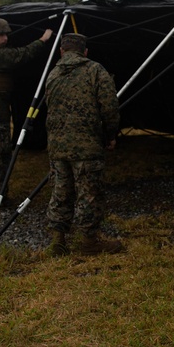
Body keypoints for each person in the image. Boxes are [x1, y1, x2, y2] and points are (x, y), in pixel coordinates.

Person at [43, 33, 123, 256]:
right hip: (86, 145)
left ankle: (57, 242)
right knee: (89, 194)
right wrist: (110, 135)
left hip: (58, 146)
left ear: (61, 51)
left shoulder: (53, 74)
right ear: (85, 52)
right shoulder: (95, 70)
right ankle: (89, 242)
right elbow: (109, 107)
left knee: (60, 193)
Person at [0, 18, 54, 207]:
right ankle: (0, 197)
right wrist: (43, 40)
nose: (5, 38)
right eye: (1, 35)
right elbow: (21, 55)